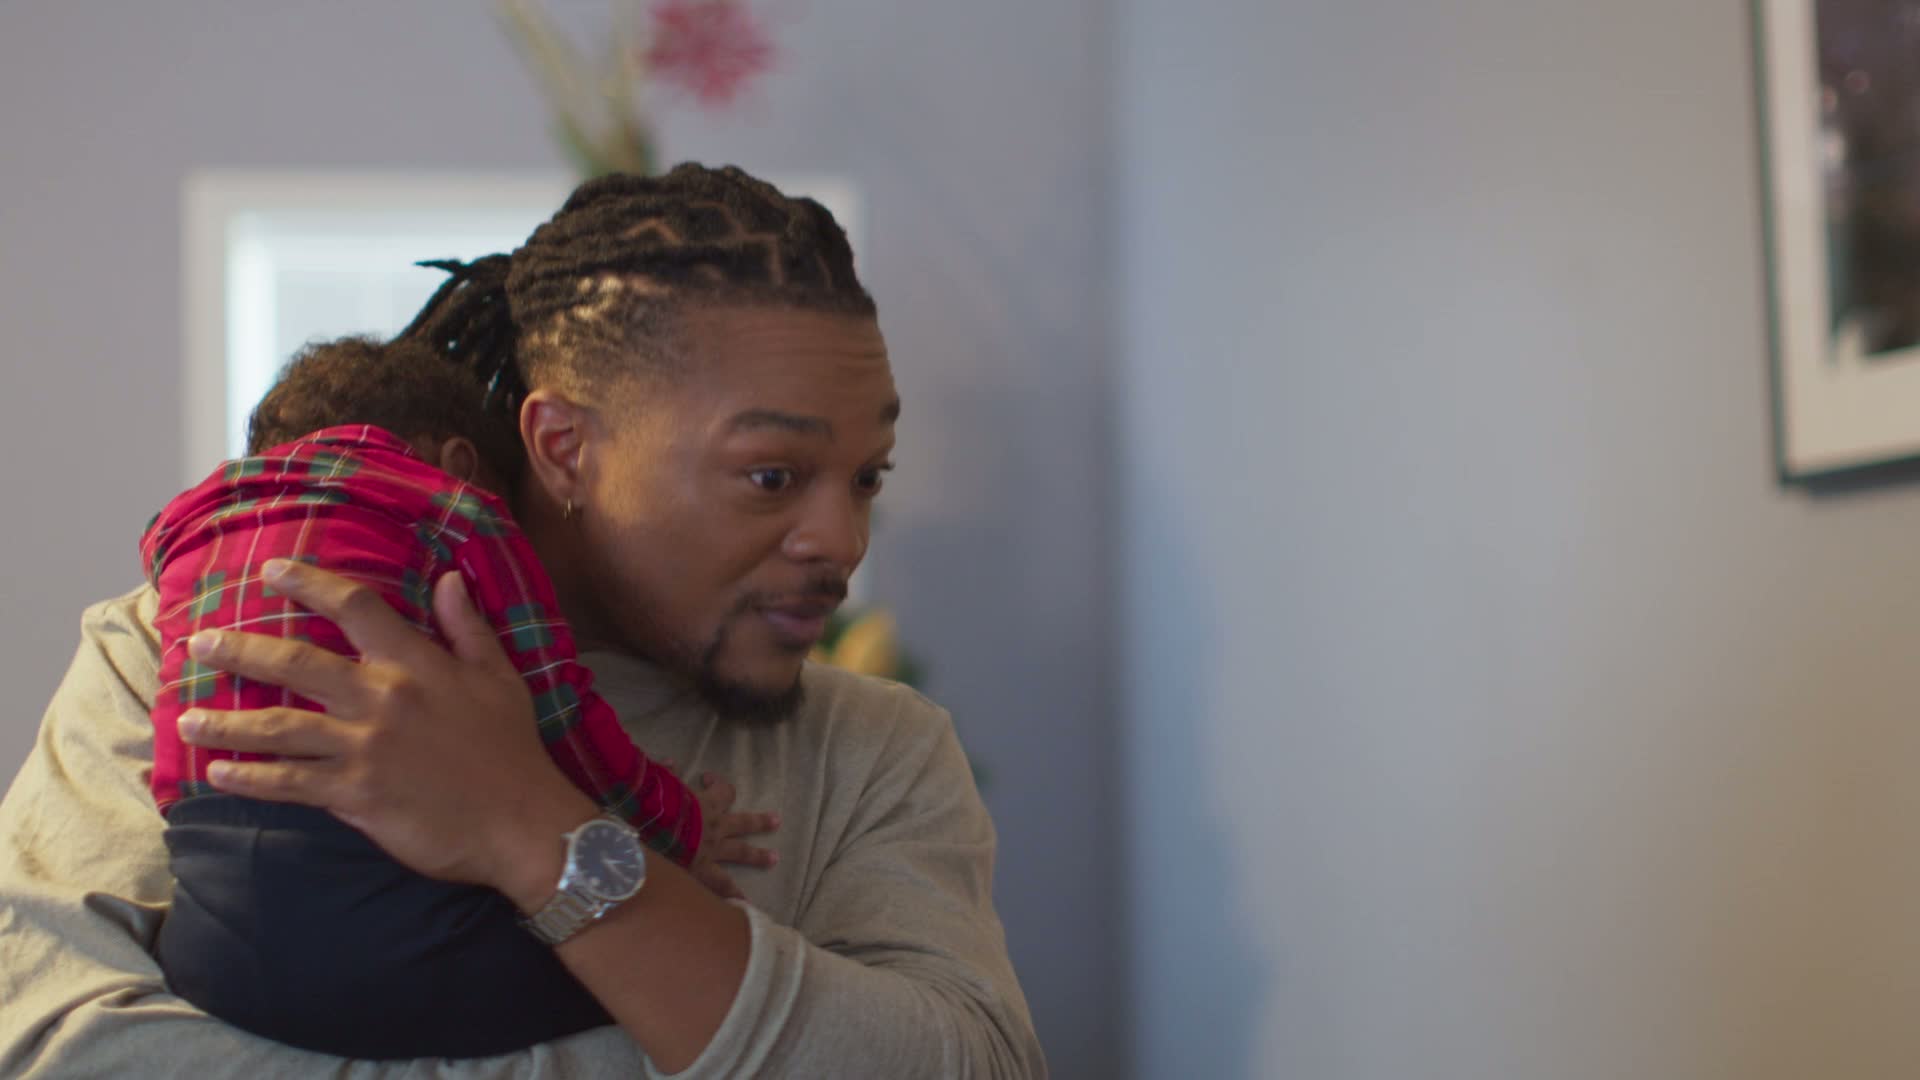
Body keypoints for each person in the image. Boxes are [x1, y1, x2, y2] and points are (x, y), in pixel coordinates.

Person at [0, 163, 1046, 1077]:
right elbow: (50, 1045)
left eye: (866, 477)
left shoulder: (875, 754)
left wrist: (530, 828)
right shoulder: (207, 648)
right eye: (772, 475)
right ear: (563, 449)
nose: (843, 540)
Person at [145, 335, 763, 1059]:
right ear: (464, 463)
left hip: (206, 933)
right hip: (378, 899)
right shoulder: (454, 511)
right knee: (623, 991)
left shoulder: (185, 533)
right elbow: (560, 716)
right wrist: (678, 825)